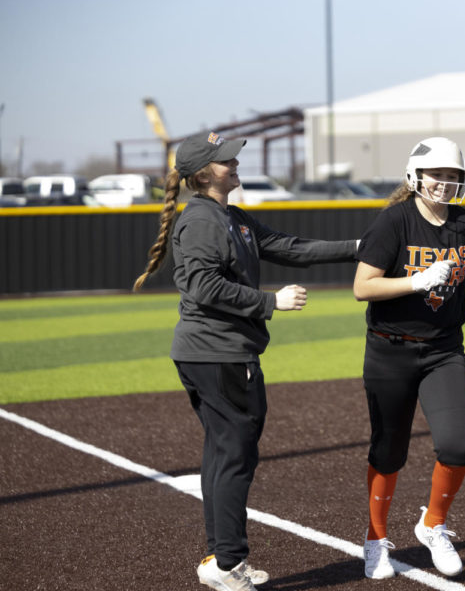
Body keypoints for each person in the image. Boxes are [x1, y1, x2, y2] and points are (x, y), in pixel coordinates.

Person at [133, 131, 358, 591]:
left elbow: (291, 248)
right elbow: (201, 287)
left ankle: (222, 559)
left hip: (217, 354)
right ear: (201, 174)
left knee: (223, 456)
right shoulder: (201, 220)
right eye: (224, 161)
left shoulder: (229, 216)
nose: (234, 164)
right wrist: (270, 302)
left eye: (233, 157)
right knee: (234, 456)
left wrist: (360, 248)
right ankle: (228, 562)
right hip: (218, 355)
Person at [353, 137, 465, 579]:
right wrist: (415, 282)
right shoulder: (393, 222)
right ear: (416, 177)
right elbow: (363, 287)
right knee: (388, 452)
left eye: (453, 176)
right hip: (389, 349)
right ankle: (376, 539)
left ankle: (433, 525)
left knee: (459, 447)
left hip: (443, 350)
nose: (445, 183)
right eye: (437, 174)